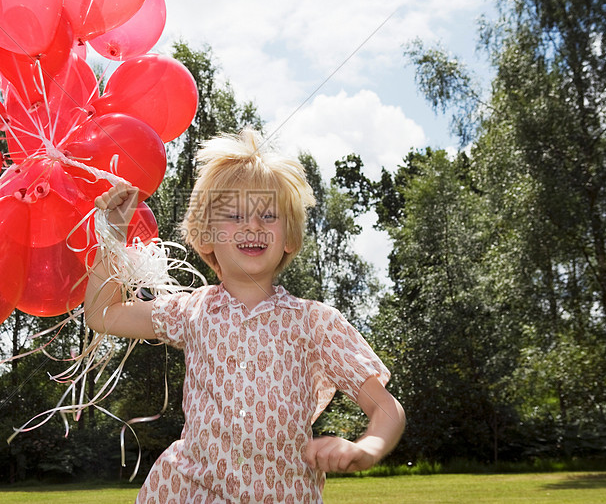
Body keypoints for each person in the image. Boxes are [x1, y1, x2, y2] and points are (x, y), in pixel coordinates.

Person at [84, 128, 405, 503]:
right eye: (235, 215)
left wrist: (367, 447)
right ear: (206, 238)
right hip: (190, 492)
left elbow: (386, 408)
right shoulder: (192, 311)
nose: (253, 225)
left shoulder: (316, 324)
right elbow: (103, 314)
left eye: (268, 215)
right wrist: (113, 235)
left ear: (290, 238)